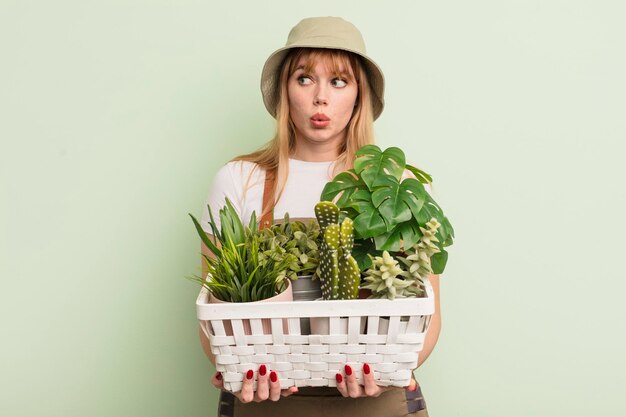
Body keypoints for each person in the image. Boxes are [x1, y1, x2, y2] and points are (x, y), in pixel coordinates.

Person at [198, 16, 441, 417]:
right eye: (305, 78)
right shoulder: (239, 181)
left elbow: (428, 315)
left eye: (339, 81)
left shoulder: (400, 186)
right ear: (284, 91)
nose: (320, 98)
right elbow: (211, 314)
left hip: (376, 402)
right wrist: (235, 367)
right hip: (266, 403)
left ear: (359, 94)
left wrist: (386, 369)